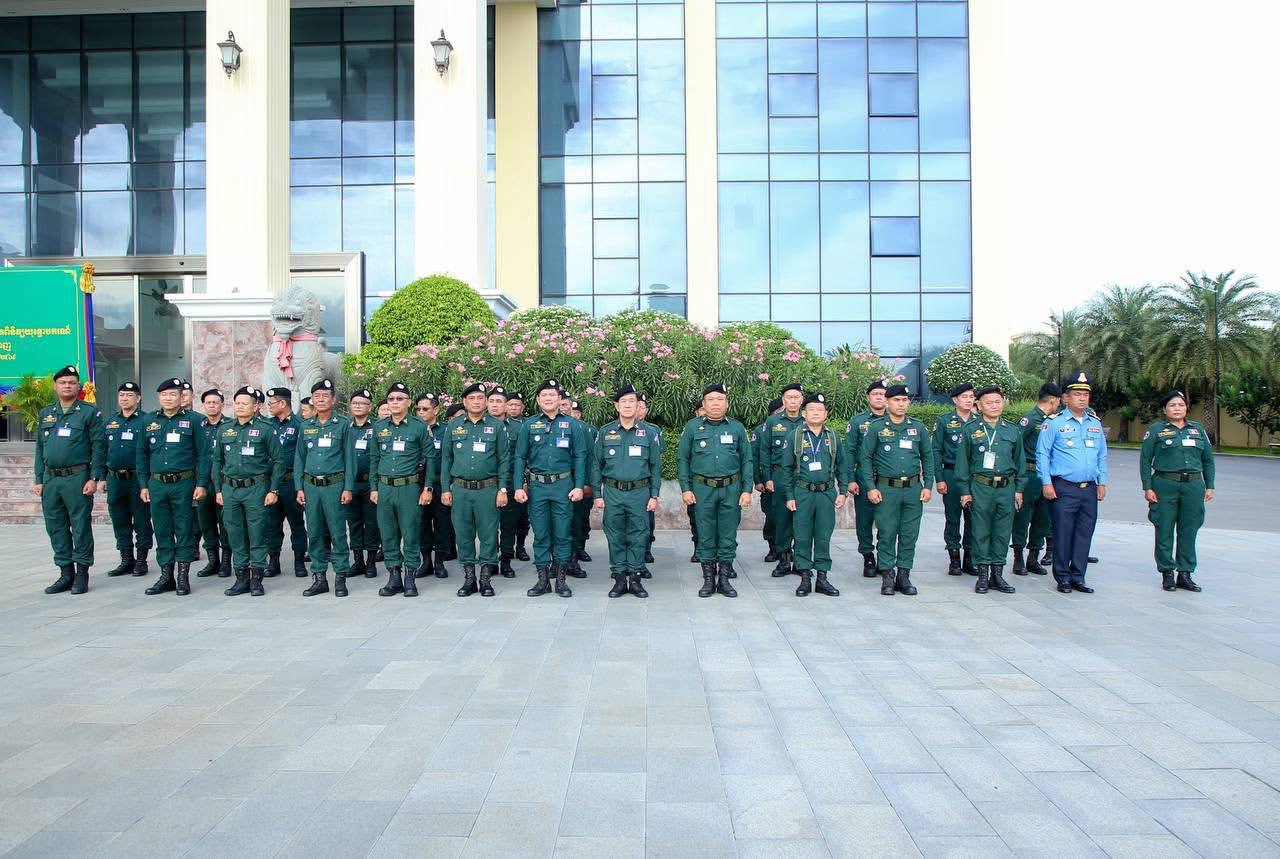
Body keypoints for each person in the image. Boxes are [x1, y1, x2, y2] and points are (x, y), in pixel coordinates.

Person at [35, 364, 106, 595]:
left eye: (72, 382)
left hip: (77, 477)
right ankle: (65, 573)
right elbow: (39, 448)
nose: (67, 386)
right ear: (56, 386)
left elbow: (98, 445)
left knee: (80, 525)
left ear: (78, 387)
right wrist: (38, 479)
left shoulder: (89, 412)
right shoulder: (46, 412)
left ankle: (82, 573)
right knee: (55, 526)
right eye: (63, 382)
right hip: (51, 479)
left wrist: (95, 477)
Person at [514, 379, 588, 597]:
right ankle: (543, 580)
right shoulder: (529, 425)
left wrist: (579, 486)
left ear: (559, 399)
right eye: (544, 395)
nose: (548, 398)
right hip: (537, 487)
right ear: (538, 400)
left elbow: (580, 457)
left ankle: (561, 580)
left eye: (552, 395)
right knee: (541, 534)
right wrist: (518, 486)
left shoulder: (573, 425)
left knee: (563, 533)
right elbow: (519, 457)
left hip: (563, 486)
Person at [678, 383, 753, 598]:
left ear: (727, 403)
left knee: (728, 534)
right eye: (711, 400)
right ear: (704, 404)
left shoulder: (737, 428)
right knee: (705, 533)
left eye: (720, 399)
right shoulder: (692, 427)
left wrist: (747, 490)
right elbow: (683, 459)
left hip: (731, 489)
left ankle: (724, 580)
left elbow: (747, 460)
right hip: (702, 490)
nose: (715, 404)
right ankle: (709, 579)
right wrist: (686, 488)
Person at [1036, 371, 1107, 594]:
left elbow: (1101, 455)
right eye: (1077, 394)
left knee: (1084, 533)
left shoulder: (1095, 423)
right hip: (1064, 487)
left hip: (1089, 488)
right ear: (1065, 398)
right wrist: (1046, 483)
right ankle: (1063, 577)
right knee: (1063, 533)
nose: (1082, 398)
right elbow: (1043, 454)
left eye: (1085, 394)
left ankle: (1078, 576)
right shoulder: (1054, 423)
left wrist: (1102, 482)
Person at [859, 384, 934, 596]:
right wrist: (871, 487)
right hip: (886, 489)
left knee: (910, 534)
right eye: (896, 400)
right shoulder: (876, 427)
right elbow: (865, 458)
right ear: (887, 402)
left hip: (913, 489)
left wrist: (928, 485)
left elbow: (928, 457)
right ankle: (888, 575)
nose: (901, 404)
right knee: (887, 532)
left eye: (904, 400)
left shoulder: (918, 427)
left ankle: (904, 575)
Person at [138, 376, 208, 596]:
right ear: (159, 397)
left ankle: (182, 577)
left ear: (181, 397)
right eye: (164, 395)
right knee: (161, 529)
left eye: (172, 394)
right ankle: (166, 576)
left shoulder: (195, 420)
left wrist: (201, 484)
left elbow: (203, 455)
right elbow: (142, 455)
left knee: (184, 529)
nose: (168, 398)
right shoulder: (148, 420)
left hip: (184, 483)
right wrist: (143, 485)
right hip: (157, 483)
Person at [1139, 390, 1215, 592]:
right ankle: (1167, 573)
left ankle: (1185, 573)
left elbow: (1208, 460)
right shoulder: (1156, 430)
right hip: (1164, 485)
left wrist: (1210, 485)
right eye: (1172, 405)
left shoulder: (1197, 430)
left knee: (1189, 529)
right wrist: (1147, 487)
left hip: (1193, 485)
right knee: (1164, 529)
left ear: (1186, 408)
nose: (1177, 408)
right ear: (1165, 410)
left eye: (1181, 405)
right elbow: (1145, 460)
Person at [441, 383, 512, 597]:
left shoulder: (496, 426)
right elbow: (446, 459)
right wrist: (445, 489)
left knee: (489, 534)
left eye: (480, 398)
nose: (476, 402)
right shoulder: (453, 426)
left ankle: (485, 579)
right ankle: (469, 579)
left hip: (487, 489)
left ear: (486, 401)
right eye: (471, 398)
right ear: (464, 402)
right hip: (460, 489)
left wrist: (502, 489)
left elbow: (504, 459)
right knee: (463, 534)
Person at [212, 386, 283, 596]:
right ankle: (241, 578)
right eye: (237, 403)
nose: (240, 406)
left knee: (257, 533)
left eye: (245, 403)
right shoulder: (225, 429)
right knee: (235, 533)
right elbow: (217, 461)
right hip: (230, 489)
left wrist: (273, 490)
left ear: (256, 407)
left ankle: (256, 579)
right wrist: (218, 489)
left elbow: (278, 461)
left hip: (256, 488)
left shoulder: (265, 429)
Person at [954, 386, 1025, 595]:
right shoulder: (970, 429)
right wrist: (965, 491)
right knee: (980, 531)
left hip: (1006, 487)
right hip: (981, 487)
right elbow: (962, 463)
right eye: (989, 402)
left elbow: (1020, 462)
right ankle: (983, 575)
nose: (994, 406)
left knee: (1002, 532)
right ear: (979, 405)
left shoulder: (1012, 429)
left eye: (997, 402)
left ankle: (998, 575)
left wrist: (1019, 489)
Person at [594, 385, 662, 598]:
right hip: (613, 492)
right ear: (616, 406)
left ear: (638, 405)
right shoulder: (605, 432)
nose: (627, 405)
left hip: (639, 492)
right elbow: (596, 465)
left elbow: (655, 467)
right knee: (614, 534)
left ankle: (635, 577)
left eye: (631, 401)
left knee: (639, 534)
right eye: (623, 401)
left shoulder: (649, 433)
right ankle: (619, 578)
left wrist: (654, 495)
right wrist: (597, 494)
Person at [779, 392, 849, 597]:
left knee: (823, 535)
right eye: (811, 409)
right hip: (803, 493)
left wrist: (843, 491)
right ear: (804, 413)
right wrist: (789, 496)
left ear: (826, 414)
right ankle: (804, 579)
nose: (816, 413)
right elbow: (786, 469)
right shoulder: (795, 436)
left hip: (826, 493)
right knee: (802, 535)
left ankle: (822, 578)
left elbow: (842, 466)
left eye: (820, 410)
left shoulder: (832, 437)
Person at [369, 382, 435, 597]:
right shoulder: (379, 427)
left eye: (400, 399)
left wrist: (428, 488)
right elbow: (374, 459)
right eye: (391, 399)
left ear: (408, 402)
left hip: (409, 488)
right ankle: (394, 576)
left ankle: (410, 578)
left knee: (411, 533)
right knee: (388, 534)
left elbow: (431, 458)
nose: (395, 402)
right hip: (385, 487)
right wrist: (373, 488)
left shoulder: (419, 426)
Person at [295, 379, 355, 597]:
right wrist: (299, 487)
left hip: (334, 486)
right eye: (317, 396)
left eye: (325, 396)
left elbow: (350, 459)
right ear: (312, 399)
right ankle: (319, 578)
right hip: (311, 487)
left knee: (337, 533)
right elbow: (299, 458)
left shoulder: (343, 424)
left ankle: (340, 578)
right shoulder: (306, 426)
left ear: (333, 399)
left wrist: (348, 488)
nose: (320, 399)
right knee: (314, 532)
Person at [103, 381, 153, 580]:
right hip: (115, 479)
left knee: (141, 520)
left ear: (138, 398)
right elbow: (102, 451)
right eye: (122, 395)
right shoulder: (110, 422)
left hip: (137, 480)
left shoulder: (147, 421)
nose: (125, 398)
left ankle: (141, 559)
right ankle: (126, 559)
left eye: (129, 395)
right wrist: (101, 477)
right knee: (119, 520)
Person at [1010, 383, 1060, 576]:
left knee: (1043, 517)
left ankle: (1033, 558)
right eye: (1058, 401)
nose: (1059, 405)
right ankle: (1018, 559)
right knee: (1023, 517)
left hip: (1046, 475)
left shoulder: (1052, 421)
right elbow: (1015, 446)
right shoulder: (1029, 419)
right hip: (1029, 474)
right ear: (1053, 400)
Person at [933, 383, 978, 576]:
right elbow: (936, 450)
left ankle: (970, 558)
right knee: (953, 517)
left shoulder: (979, 421)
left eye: (971, 397)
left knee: (973, 518)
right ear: (955, 400)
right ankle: (954, 559)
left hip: (974, 477)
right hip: (951, 474)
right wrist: (939, 478)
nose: (968, 400)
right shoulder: (945, 421)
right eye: (964, 397)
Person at [264, 387, 308, 577]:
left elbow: (303, 455)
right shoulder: (267, 425)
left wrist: (300, 486)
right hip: (271, 483)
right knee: (272, 524)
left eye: (272, 403)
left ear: (283, 403)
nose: (269, 407)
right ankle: (273, 562)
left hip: (291, 482)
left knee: (297, 524)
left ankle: (299, 562)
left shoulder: (300, 425)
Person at [846, 380, 888, 578]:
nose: (879, 397)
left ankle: (884, 556)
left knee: (886, 520)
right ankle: (868, 556)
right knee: (864, 520)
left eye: (882, 394)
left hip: (887, 479)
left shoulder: (894, 420)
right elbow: (849, 451)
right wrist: (850, 479)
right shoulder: (858, 421)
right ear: (868, 398)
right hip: (864, 478)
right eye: (875, 394)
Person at [764, 383, 806, 577]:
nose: (793, 401)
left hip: (803, 477)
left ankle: (800, 560)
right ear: (783, 400)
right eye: (789, 397)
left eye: (796, 397)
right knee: (781, 518)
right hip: (780, 476)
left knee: (802, 518)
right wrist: (767, 478)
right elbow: (765, 451)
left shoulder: (808, 421)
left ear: (801, 400)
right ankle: (783, 559)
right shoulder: (773, 421)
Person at [195, 388, 231, 578]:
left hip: (224, 482)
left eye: (215, 402)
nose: (211, 406)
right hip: (202, 483)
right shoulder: (198, 426)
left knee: (225, 523)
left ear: (222, 405)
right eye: (208, 402)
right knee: (206, 522)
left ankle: (226, 562)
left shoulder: (230, 426)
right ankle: (212, 561)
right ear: (203, 405)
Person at [414, 393, 450, 579]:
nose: (421, 412)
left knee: (442, 523)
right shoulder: (413, 430)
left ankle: (439, 562)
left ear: (436, 410)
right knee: (421, 523)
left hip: (439, 482)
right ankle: (426, 561)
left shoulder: (446, 430)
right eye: (418, 409)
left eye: (425, 409)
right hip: (417, 483)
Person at [347, 389, 381, 582]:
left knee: (372, 523)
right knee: (354, 523)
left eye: (362, 403)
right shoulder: (345, 428)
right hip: (351, 483)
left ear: (370, 407)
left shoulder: (378, 426)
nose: (358, 406)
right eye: (355, 403)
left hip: (370, 483)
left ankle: (371, 561)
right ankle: (358, 560)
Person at [488, 385, 522, 578]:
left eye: (499, 401)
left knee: (508, 526)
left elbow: (522, 458)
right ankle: (490, 560)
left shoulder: (518, 428)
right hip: (487, 484)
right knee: (489, 526)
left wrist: (521, 483)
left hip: (509, 484)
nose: (495, 405)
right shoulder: (480, 426)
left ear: (506, 405)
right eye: (491, 401)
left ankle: (506, 561)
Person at [569, 398, 598, 571]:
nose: (572, 415)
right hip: (562, 481)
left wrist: (588, 483)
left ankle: (579, 549)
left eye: (575, 412)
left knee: (580, 519)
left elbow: (592, 459)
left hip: (582, 481)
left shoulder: (588, 430)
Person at [755, 398, 784, 562]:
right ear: (774, 413)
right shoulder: (761, 431)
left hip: (791, 479)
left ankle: (788, 550)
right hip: (771, 479)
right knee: (772, 516)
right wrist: (758, 480)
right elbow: (755, 457)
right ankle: (773, 548)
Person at [505, 392, 532, 561]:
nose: (514, 408)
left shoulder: (528, 425)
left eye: (517, 405)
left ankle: (520, 547)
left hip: (524, 477)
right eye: (511, 404)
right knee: (506, 519)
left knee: (522, 516)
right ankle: (504, 550)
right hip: (506, 477)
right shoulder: (502, 425)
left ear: (522, 408)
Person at [636, 392, 661, 572]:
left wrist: (654, 490)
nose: (639, 410)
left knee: (647, 521)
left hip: (645, 485)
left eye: (642, 407)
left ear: (646, 410)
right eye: (636, 405)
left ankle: (646, 550)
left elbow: (657, 460)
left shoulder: (653, 430)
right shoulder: (612, 430)